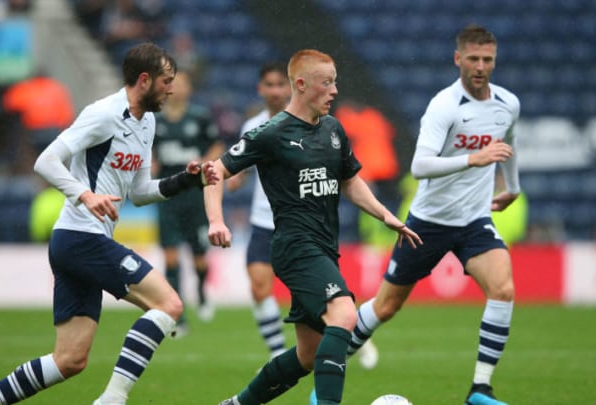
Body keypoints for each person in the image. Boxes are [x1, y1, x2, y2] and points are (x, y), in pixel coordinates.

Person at [0, 42, 218, 405]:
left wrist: (186, 180)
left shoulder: (148, 122)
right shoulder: (104, 113)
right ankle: (112, 399)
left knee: (69, 361)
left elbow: (139, 192)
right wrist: (84, 195)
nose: (171, 89)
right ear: (144, 80)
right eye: (166, 81)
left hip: (77, 243)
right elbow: (46, 161)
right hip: (81, 236)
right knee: (170, 304)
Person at [205, 49, 421, 405]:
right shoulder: (270, 133)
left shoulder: (334, 129)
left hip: (323, 247)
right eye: (327, 82)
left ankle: (237, 404)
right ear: (302, 85)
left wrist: (386, 215)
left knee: (308, 354)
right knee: (345, 314)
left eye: (335, 81)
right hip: (294, 246)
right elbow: (215, 172)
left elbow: (350, 181)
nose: (335, 90)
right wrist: (216, 219)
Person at [347, 25, 521, 405]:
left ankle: (480, 389)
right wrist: (473, 159)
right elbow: (421, 165)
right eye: (473, 58)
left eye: (487, 59)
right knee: (386, 307)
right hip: (427, 222)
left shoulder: (507, 103)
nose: (480, 66)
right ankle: (326, 379)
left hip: (474, 220)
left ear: (494, 60)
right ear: (458, 59)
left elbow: (510, 140)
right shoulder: (444, 106)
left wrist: (513, 186)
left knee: (503, 289)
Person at [224, 61, 292, 360]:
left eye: (281, 84)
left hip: (299, 222)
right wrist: (233, 179)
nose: (276, 90)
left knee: (315, 295)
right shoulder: (252, 127)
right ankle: (278, 355)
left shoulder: (306, 122)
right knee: (260, 287)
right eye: (270, 85)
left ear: (291, 87)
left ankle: (348, 332)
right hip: (264, 221)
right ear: (260, 89)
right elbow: (241, 167)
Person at [153, 70, 223, 333]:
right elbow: (147, 151)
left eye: (183, 83)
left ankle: (203, 290)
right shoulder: (155, 120)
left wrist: (206, 163)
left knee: (198, 258)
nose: (177, 88)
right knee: (170, 257)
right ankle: (178, 315)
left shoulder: (200, 117)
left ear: (190, 89)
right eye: (173, 83)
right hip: (167, 194)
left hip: (195, 195)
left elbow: (217, 146)